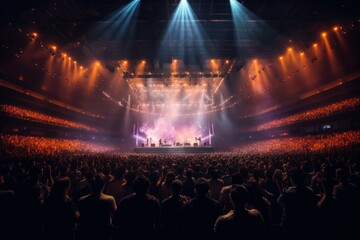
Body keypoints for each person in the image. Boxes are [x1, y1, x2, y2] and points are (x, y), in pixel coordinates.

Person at [112, 175, 161, 240]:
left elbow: (116, 221)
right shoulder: (154, 201)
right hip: (147, 235)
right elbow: (158, 222)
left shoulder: (125, 201)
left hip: (129, 235)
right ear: (147, 188)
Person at [277, 169, 317, 240]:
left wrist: (283, 189)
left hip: (290, 224)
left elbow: (279, 202)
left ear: (292, 179)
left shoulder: (289, 192)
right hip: (306, 224)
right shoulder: (310, 191)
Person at [78, 173, 117, 240]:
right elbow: (115, 214)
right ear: (104, 185)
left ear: (91, 185)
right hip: (103, 232)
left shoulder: (82, 200)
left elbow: (81, 217)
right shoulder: (110, 200)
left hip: (87, 233)